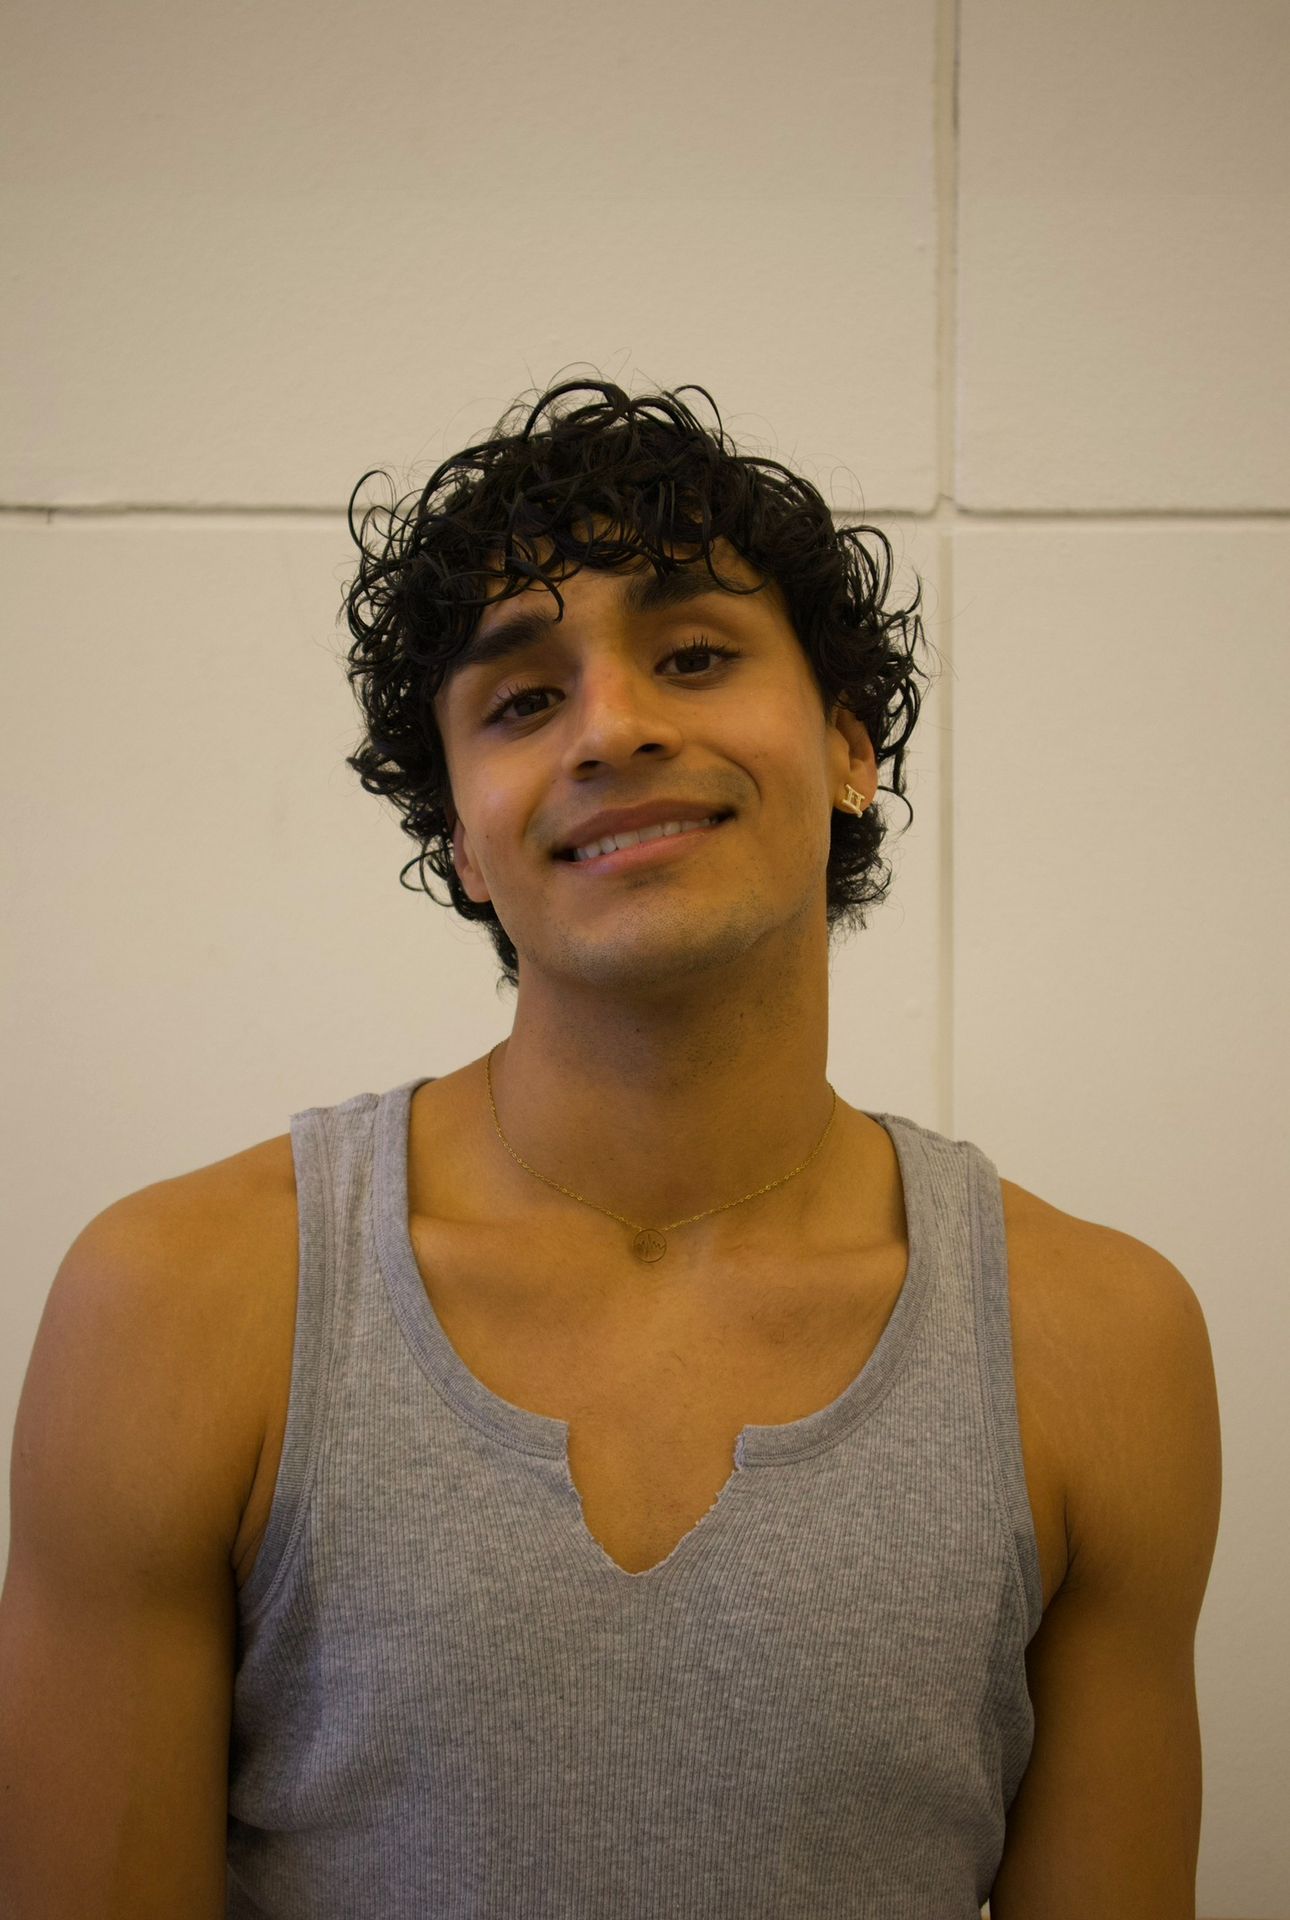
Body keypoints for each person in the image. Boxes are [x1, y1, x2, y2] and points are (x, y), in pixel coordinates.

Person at [0, 379, 1222, 1918]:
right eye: (521, 702)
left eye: (695, 656)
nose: (615, 727)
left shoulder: (1098, 1342)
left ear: (848, 747)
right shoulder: (180, 1302)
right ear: (461, 835)